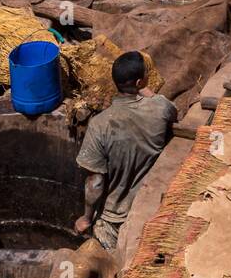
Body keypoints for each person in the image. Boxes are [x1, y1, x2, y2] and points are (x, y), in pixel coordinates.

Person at [74, 51, 177, 252]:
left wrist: (86, 218)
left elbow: (95, 182)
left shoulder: (99, 125)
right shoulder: (160, 108)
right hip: (148, 211)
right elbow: (170, 109)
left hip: (113, 220)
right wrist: (143, 89)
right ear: (140, 82)